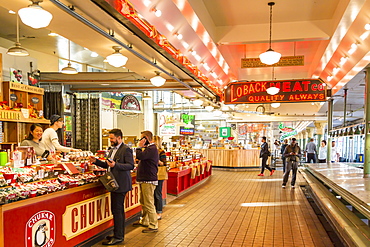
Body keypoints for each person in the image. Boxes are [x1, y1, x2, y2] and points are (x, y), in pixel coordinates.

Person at [89, 129, 134, 245]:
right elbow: (108, 165)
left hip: (121, 184)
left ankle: (119, 236)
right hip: (113, 183)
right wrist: (96, 161)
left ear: (119, 138)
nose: (110, 140)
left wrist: (116, 165)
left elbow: (130, 165)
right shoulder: (111, 150)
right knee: (115, 210)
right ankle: (117, 233)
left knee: (118, 210)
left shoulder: (126, 149)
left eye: (112, 138)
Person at [133, 130, 159, 233]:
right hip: (144, 179)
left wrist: (139, 146)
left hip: (148, 180)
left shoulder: (152, 148)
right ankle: (145, 220)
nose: (140, 140)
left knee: (148, 203)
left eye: (142, 138)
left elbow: (141, 156)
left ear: (146, 139)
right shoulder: (149, 148)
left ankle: (153, 225)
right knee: (143, 201)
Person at [153, 136, 167, 220]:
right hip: (152, 174)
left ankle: (159, 212)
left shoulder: (161, 152)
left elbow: (164, 163)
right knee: (152, 194)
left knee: (157, 193)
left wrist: (157, 161)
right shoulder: (150, 151)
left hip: (159, 175)